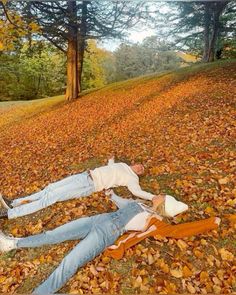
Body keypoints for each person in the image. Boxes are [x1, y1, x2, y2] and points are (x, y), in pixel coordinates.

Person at [0, 191, 220, 294]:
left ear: (164, 206)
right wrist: (113, 196)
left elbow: (180, 231)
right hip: (100, 219)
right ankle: (13, 243)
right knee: (56, 233)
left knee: (70, 262)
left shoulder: (157, 221)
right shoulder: (143, 204)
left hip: (107, 234)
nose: (159, 194)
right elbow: (124, 204)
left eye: (163, 196)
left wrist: (210, 222)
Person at [0, 157, 161, 219]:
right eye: (141, 165)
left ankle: (10, 213)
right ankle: (14, 202)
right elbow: (112, 168)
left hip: (88, 185)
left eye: (142, 170)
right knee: (49, 188)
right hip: (85, 175)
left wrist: (152, 197)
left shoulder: (132, 179)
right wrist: (111, 161)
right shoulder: (124, 165)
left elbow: (136, 192)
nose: (140, 168)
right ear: (135, 163)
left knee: (50, 198)